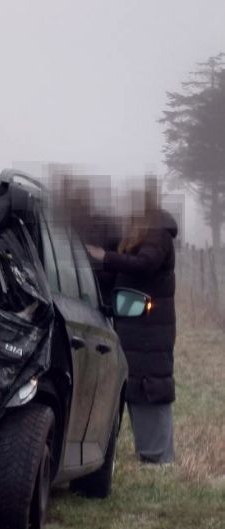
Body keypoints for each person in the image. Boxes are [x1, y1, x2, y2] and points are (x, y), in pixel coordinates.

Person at [86, 183, 177, 464]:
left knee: (149, 388)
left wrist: (107, 258)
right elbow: (115, 275)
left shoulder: (158, 233)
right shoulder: (130, 233)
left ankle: (157, 459)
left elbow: (144, 264)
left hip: (150, 329)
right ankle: (137, 456)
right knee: (128, 386)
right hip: (130, 324)